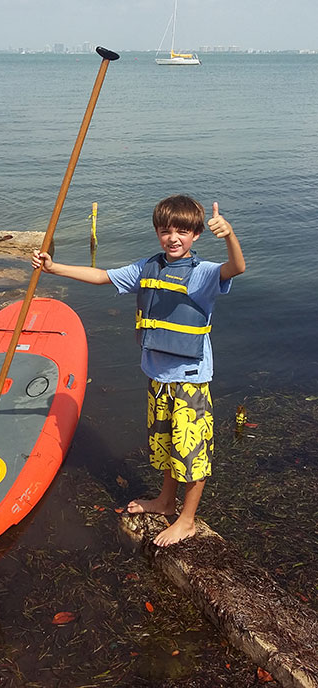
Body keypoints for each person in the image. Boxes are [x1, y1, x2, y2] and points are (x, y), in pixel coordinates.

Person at [32, 195, 245, 547]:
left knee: (191, 454)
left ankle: (187, 520)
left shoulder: (204, 273)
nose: (173, 238)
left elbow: (235, 268)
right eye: (165, 231)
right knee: (164, 445)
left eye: (182, 231)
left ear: (196, 235)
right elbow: (101, 276)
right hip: (158, 377)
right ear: (158, 233)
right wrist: (54, 268)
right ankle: (165, 501)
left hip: (190, 380)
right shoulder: (149, 267)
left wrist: (230, 236)